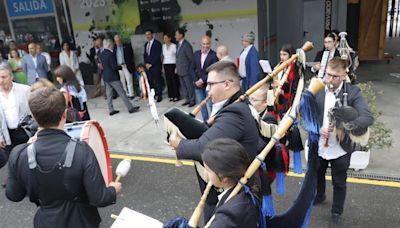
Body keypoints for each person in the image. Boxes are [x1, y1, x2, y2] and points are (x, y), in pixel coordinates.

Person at [5, 87, 121, 228]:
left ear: (34, 117)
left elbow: (13, 195)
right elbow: (100, 198)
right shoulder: (82, 151)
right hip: (82, 222)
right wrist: (113, 189)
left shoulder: (18, 154)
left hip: (45, 222)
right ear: (64, 114)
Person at [168, 61, 262, 222]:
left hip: (233, 193)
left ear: (227, 84)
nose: (207, 89)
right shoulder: (234, 105)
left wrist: (179, 144)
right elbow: (212, 133)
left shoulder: (235, 112)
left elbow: (204, 148)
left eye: (211, 84)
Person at [314, 58, 373, 226]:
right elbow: (306, 114)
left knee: (339, 182)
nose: (330, 80)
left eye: (335, 76)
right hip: (319, 144)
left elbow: (367, 117)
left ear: (343, 75)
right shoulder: (318, 89)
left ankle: (336, 212)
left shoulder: (353, 93)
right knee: (317, 173)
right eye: (328, 75)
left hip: (340, 147)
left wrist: (345, 126)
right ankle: (320, 195)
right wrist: (318, 129)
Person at [202, 138, 259, 227]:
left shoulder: (227, 216)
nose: (205, 172)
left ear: (225, 178)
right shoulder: (245, 193)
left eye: (208, 170)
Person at [0, 64, 30, 169]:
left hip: (25, 130)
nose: (1, 80)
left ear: (11, 77)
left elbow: (34, 110)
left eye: (4, 77)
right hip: (8, 133)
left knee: (30, 157)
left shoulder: (25, 90)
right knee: (14, 161)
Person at [99, 38, 139, 116]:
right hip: (113, 77)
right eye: (112, 43)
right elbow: (114, 67)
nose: (113, 45)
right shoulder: (110, 54)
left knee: (109, 94)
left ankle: (111, 110)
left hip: (106, 77)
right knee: (122, 93)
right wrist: (120, 67)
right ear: (109, 44)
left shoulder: (102, 53)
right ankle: (130, 108)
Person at [191, 35, 219, 121]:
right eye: (204, 44)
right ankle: (205, 121)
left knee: (211, 105)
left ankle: (213, 121)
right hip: (198, 86)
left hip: (209, 85)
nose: (205, 46)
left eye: (207, 44)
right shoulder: (196, 54)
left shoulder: (214, 55)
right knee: (202, 105)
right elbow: (192, 68)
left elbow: (214, 70)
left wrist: (202, 80)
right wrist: (196, 81)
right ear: (201, 44)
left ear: (210, 44)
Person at [272, 44, 301, 119]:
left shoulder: (295, 68)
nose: (282, 57)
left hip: (289, 99)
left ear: (290, 55)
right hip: (279, 96)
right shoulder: (279, 65)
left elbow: (294, 86)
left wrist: (282, 85)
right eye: (281, 54)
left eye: (284, 54)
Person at [175, 28, 195, 107]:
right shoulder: (177, 45)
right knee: (183, 86)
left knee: (189, 86)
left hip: (186, 70)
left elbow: (191, 59)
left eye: (176, 34)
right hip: (180, 69)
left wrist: (190, 69)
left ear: (181, 35)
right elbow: (178, 57)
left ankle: (192, 100)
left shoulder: (187, 45)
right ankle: (187, 99)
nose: (175, 36)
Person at [143, 29, 163, 102]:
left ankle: (159, 96)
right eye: (146, 35)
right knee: (150, 81)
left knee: (158, 81)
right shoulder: (146, 44)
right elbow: (145, 55)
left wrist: (151, 64)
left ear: (152, 34)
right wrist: (146, 64)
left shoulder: (157, 43)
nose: (147, 36)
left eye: (149, 34)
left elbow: (157, 55)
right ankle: (154, 95)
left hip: (155, 66)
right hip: (148, 67)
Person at [114, 35, 135, 99]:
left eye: (119, 40)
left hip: (126, 66)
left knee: (129, 80)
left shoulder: (127, 46)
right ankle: (125, 94)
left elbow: (131, 55)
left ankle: (131, 94)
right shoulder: (114, 48)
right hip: (119, 67)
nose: (118, 42)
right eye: (116, 41)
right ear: (115, 42)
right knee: (122, 81)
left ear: (121, 40)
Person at [162, 33, 180, 102]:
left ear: (169, 38)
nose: (165, 40)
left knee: (174, 80)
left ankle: (176, 95)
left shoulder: (174, 46)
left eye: (166, 38)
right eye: (164, 38)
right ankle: (171, 95)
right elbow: (163, 57)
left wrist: (176, 66)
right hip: (166, 64)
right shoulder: (163, 46)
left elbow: (177, 56)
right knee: (168, 81)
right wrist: (162, 67)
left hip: (173, 64)